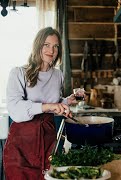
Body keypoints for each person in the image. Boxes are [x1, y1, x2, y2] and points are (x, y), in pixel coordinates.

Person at [3, 27, 78, 180]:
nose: (52, 50)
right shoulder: (18, 73)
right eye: (47, 45)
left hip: (48, 138)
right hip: (22, 143)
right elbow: (15, 109)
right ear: (38, 45)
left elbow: (54, 104)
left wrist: (66, 101)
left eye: (56, 46)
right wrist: (49, 106)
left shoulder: (57, 74)